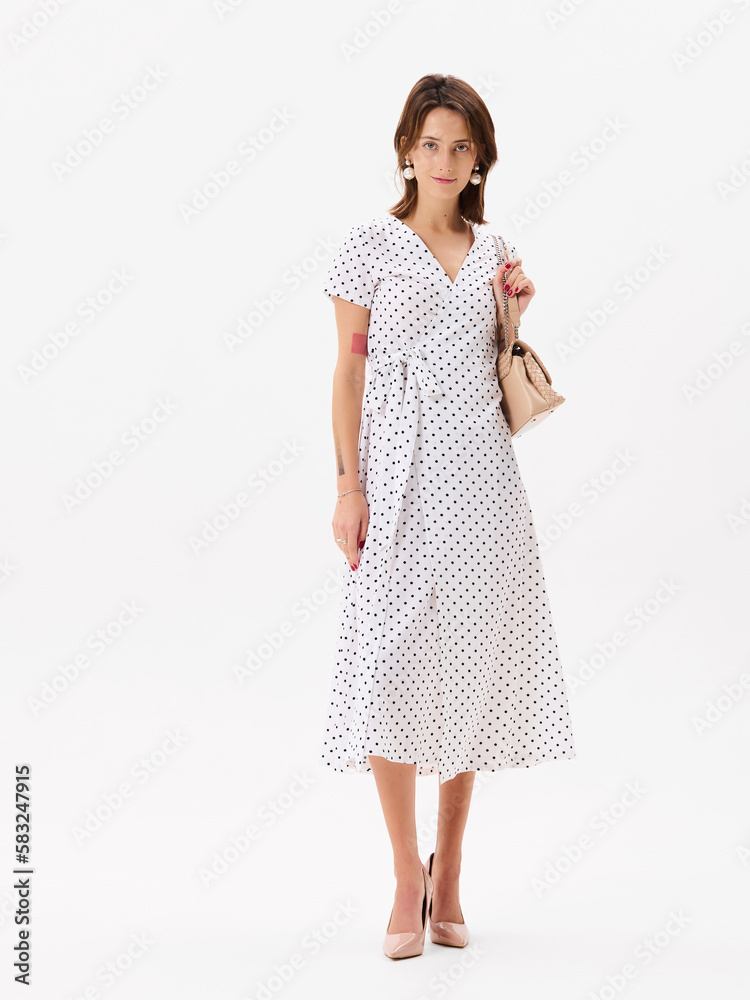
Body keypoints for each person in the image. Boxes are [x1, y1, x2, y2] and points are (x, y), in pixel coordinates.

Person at [321, 73, 576, 960]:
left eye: (460, 147)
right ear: (406, 151)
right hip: (395, 474)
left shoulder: (496, 247)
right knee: (390, 669)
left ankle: (451, 868)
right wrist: (347, 486)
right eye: (430, 143)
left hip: (482, 481)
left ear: (479, 161)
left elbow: (498, 360)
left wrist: (515, 310)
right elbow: (349, 371)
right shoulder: (368, 246)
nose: (443, 160)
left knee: (470, 664)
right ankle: (406, 873)